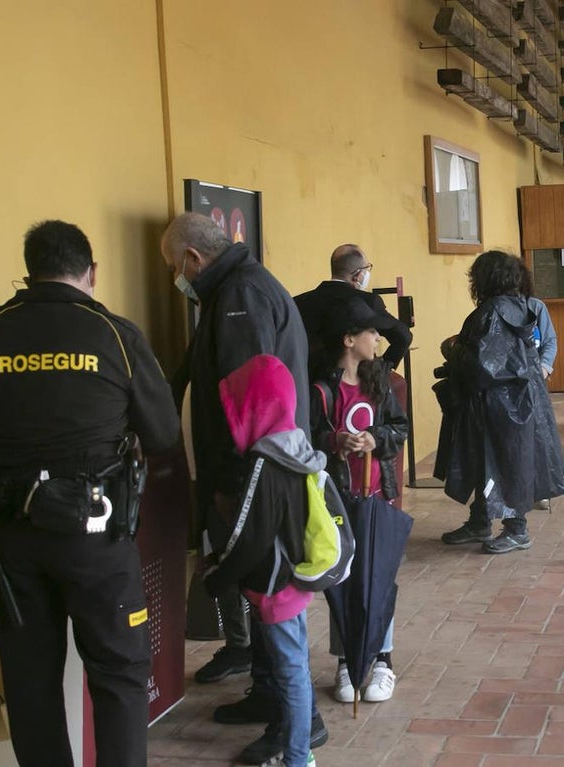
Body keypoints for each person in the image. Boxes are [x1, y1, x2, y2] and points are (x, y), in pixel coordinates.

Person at [0, 220, 180, 766]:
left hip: (11, 541)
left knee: (31, 684)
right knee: (119, 674)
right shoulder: (116, 336)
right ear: (91, 272)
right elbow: (164, 433)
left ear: (29, 273)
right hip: (97, 535)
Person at [161, 212, 326, 763]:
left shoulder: (241, 296)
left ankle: (294, 727)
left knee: (275, 605)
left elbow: (249, 403)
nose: (176, 279)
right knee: (264, 604)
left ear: (192, 258)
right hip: (257, 479)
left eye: (174, 268)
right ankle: (269, 696)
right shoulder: (237, 288)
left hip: (256, 483)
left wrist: (236, 489)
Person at [206, 355, 326, 767]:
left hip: (276, 589)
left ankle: (298, 759)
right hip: (294, 581)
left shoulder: (264, 462)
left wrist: (217, 576)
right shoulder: (293, 446)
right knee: (295, 670)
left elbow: (251, 536)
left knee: (290, 676)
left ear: (255, 408)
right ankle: (301, 753)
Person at [436, 251, 564, 553]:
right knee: (500, 459)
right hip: (519, 398)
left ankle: (516, 528)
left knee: (505, 461)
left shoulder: (491, 312)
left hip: (496, 402)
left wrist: (453, 351)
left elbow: (486, 365)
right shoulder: (520, 307)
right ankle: (480, 520)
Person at [310, 303, 409, 704]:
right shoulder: (322, 389)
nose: (379, 340)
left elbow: (398, 428)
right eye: (371, 333)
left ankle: (382, 660)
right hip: (338, 502)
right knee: (343, 581)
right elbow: (310, 436)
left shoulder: (379, 381)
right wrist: (335, 441)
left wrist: (376, 438)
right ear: (349, 339)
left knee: (379, 578)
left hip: (378, 497)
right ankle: (348, 661)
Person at [295, 244, 413, 379]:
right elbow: (403, 336)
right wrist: (379, 371)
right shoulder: (368, 302)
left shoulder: (299, 302)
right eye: (367, 268)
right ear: (357, 275)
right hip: (355, 381)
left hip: (309, 382)